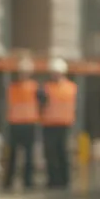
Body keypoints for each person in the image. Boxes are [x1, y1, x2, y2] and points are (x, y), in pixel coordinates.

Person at [40, 58, 77, 189]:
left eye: (57, 73)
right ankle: (53, 180)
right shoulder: (46, 87)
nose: (55, 75)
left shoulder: (70, 87)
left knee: (63, 153)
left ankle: (64, 180)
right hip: (49, 124)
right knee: (51, 154)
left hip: (63, 125)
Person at [3, 59, 40, 190]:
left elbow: (42, 102)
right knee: (12, 154)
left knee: (29, 155)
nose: (23, 74)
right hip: (15, 124)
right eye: (22, 72)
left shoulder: (35, 87)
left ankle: (28, 181)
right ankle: (8, 181)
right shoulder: (13, 87)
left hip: (29, 124)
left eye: (26, 72)